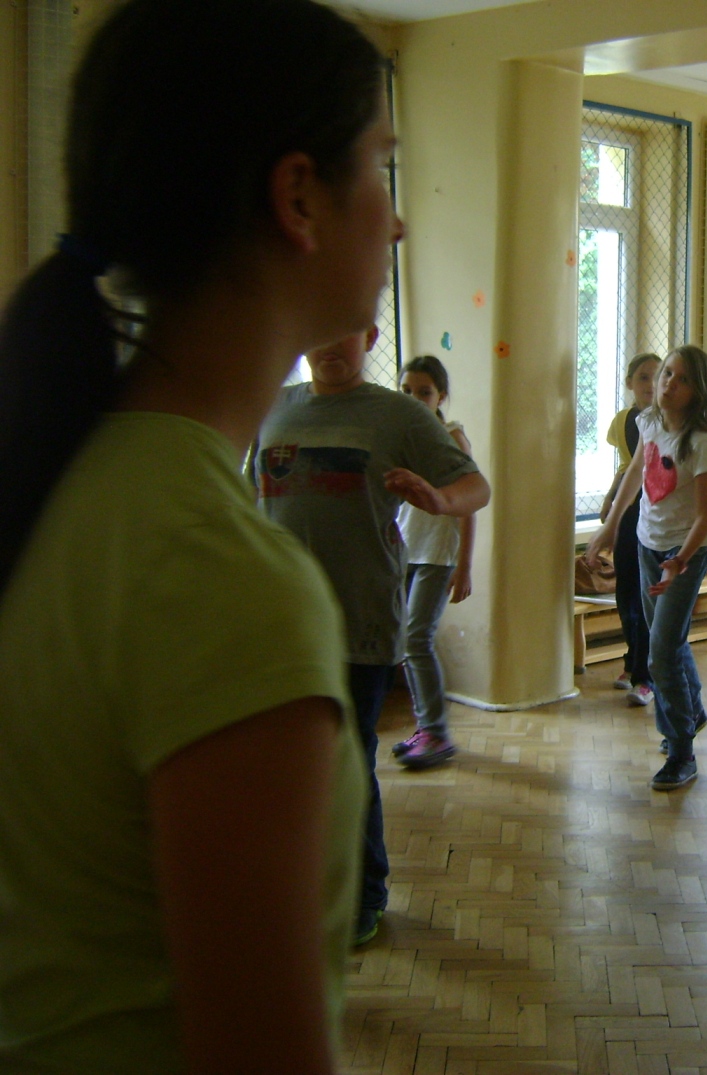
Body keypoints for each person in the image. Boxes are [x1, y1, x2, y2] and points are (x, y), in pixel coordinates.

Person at [0, 1, 398, 1071]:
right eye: (383, 165)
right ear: (299, 196)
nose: (398, 220)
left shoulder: (66, 479)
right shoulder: (224, 578)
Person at [251, 325, 489, 943]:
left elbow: (476, 487)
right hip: (282, 625)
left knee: (347, 761)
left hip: (359, 620)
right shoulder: (273, 405)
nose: (329, 342)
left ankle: (365, 892)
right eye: (318, 327)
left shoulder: (398, 414)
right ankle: (310, 887)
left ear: (371, 335)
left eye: (345, 330)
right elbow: (250, 498)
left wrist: (439, 499)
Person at [585, 345, 707, 791]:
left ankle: (681, 751)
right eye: (666, 374)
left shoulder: (700, 443)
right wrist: (609, 527)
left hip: (684, 554)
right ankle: (690, 712)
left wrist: (679, 561)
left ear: (698, 391)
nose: (668, 383)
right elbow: (634, 476)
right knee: (668, 641)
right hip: (647, 544)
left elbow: (705, 516)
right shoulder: (648, 422)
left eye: (682, 379)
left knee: (659, 652)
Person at [389, 354, 477, 769]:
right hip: (406, 550)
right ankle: (426, 726)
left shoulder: (451, 437)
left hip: (438, 555)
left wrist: (464, 566)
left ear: (441, 396)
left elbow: (469, 506)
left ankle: (436, 733)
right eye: (406, 391)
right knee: (408, 642)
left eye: (423, 392)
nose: (413, 399)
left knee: (416, 639)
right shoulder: (402, 435)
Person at [599, 352, 662, 707]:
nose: (650, 384)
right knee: (626, 591)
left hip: (654, 511)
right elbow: (627, 466)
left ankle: (645, 676)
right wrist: (611, 499)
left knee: (645, 593)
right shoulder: (623, 421)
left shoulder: (668, 420)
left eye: (658, 376)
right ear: (629, 383)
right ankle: (631, 661)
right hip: (628, 509)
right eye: (643, 377)